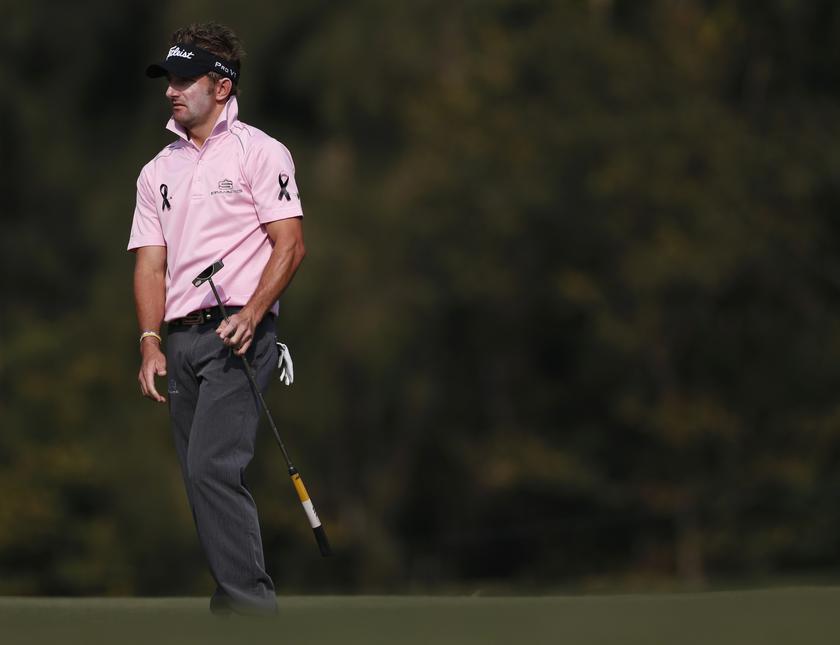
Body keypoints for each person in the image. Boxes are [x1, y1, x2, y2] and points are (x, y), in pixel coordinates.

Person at [127, 22, 305, 615]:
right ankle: (238, 604)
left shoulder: (261, 152)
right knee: (198, 478)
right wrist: (150, 342)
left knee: (212, 466)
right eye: (168, 80)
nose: (172, 91)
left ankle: (249, 606)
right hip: (181, 342)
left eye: (184, 80)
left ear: (221, 87)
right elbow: (151, 267)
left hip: (238, 334)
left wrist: (255, 314)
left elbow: (290, 245)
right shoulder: (157, 172)